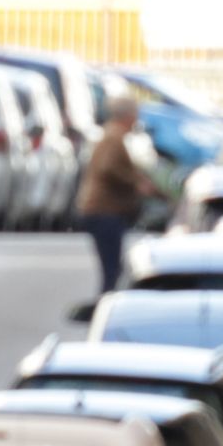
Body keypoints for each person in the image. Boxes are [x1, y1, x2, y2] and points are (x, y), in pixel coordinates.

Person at [74, 95, 154, 303]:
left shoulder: (111, 135)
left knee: (112, 266)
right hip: (104, 210)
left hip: (103, 210)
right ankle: (106, 304)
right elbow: (108, 168)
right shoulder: (113, 137)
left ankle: (106, 301)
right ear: (127, 116)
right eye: (135, 115)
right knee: (112, 267)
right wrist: (135, 182)